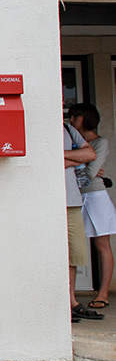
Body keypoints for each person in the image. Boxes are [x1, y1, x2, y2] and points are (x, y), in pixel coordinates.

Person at [68, 103, 116, 310]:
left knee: (102, 244)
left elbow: (89, 173)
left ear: (84, 118)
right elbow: (90, 168)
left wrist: (73, 160)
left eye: (74, 116)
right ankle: (72, 296)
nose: (71, 120)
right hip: (77, 196)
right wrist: (82, 159)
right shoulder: (73, 140)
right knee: (75, 247)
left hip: (95, 196)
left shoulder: (100, 142)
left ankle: (103, 292)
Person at [64, 118, 103, 322]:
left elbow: (90, 154)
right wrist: (76, 159)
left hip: (72, 201)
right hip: (50, 204)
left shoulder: (68, 129)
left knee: (74, 254)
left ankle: (72, 302)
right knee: (55, 254)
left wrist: (65, 158)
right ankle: (59, 303)